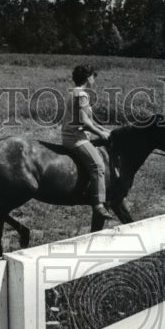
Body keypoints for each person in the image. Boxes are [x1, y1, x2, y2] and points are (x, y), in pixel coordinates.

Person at [62, 64, 113, 220]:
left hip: (70, 136)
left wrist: (106, 131)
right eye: (93, 76)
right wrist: (101, 135)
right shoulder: (82, 95)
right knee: (98, 166)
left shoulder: (73, 92)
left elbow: (90, 121)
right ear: (88, 77)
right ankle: (99, 204)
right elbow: (86, 124)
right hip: (76, 139)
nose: (94, 79)